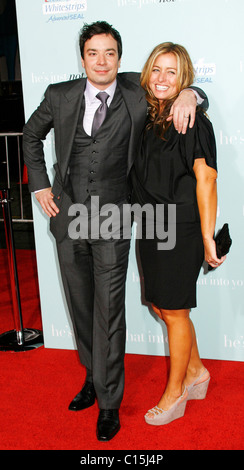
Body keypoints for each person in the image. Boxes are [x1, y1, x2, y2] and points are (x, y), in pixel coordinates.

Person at [23, 22, 208, 441]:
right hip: (69, 217)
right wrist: (40, 184)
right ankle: (93, 375)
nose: (102, 61)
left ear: (119, 58)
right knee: (82, 307)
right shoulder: (59, 95)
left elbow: (174, 86)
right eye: (93, 53)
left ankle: (108, 402)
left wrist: (190, 93)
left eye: (110, 53)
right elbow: (31, 136)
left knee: (109, 311)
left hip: (114, 219)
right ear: (82, 57)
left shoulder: (134, 90)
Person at [132, 42, 226, 426]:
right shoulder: (150, 115)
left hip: (182, 226)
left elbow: (207, 179)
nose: (162, 78)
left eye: (172, 72)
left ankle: (176, 393)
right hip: (152, 224)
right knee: (164, 306)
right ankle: (197, 371)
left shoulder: (191, 118)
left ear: (184, 77)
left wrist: (207, 237)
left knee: (173, 310)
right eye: (156, 69)